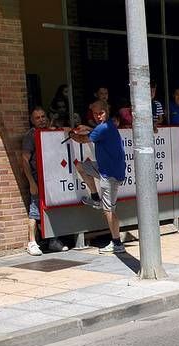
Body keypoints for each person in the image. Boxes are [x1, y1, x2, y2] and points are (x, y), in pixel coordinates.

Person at [69, 100, 127, 254]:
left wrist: (70, 132)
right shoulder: (106, 126)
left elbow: (82, 140)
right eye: (95, 114)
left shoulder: (103, 128)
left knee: (108, 210)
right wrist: (87, 128)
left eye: (100, 113)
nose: (97, 116)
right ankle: (95, 197)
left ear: (106, 111)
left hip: (110, 175)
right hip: (104, 169)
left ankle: (117, 244)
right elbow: (94, 131)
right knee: (81, 167)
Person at [21, 107, 68, 255]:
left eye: (43, 116)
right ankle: (32, 242)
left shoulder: (50, 132)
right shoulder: (30, 136)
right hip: (37, 179)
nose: (41, 119)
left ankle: (53, 240)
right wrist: (31, 183)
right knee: (34, 211)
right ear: (32, 120)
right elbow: (24, 160)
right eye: (37, 118)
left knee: (52, 210)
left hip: (52, 179)